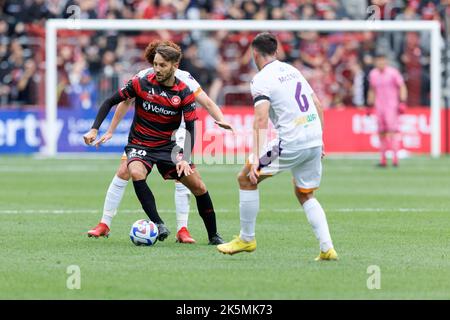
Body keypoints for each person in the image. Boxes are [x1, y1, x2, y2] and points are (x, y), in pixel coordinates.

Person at [83, 40, 233, 243]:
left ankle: (211, 235)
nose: (157, 69)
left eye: (162, 65)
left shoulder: (184, 90)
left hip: (169, 144)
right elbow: (115, 101)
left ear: (174, 65)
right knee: (132, 171)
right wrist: (99, 129)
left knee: (197, 185)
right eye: (155, 64)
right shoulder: (141, 81)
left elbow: (191, 125)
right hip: (140, 143)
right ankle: (156, 223)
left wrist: (185, 158)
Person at [216, 32, 338, 260]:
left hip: (290, 141)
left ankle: (246, 239)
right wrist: (320, 140)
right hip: (313, 138)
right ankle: (327, 248)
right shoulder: (293, 70)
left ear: (254, 53)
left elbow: (261, 119)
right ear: (277, 51)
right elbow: (318, 105)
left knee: (245, 178)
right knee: (305, 193)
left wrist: (255, 157)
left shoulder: (261, 79)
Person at [367, 53, 408, 167]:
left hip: (391, 107)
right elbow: (372, 90)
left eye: (382, 61)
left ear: (386, 61)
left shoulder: (393, 73)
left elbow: (402, 86)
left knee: (392, 132)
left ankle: (395, 159)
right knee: (381, 133)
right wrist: (370, 105)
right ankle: (383, 160)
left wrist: (403, 102)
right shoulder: (373, 74)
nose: (380, 63)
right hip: (379, 107)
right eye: (378, 61)